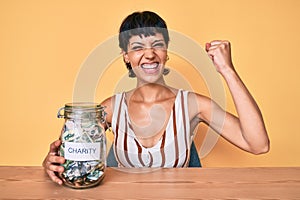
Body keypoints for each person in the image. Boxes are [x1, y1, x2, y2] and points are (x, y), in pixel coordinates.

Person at [43, 11, 270, 185]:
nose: (149, 54)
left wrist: (227, 70)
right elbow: (72, 161)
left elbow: (258, 144)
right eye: (137, 47)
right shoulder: (109, 109)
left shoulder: (193, 105)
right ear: (126, 56)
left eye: (157, 45)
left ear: (166, 52)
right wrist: (52, 164)